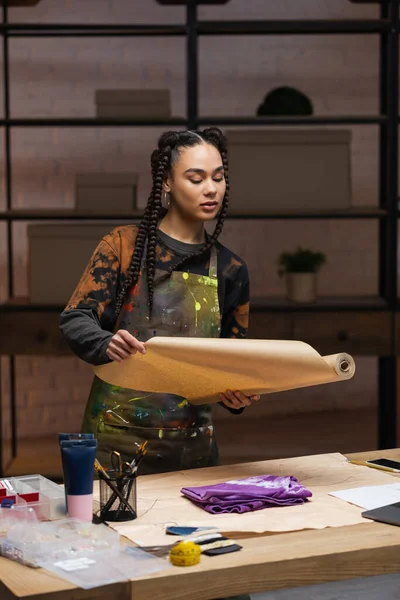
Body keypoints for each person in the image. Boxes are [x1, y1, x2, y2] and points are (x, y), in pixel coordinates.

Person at [59, 127, 260, 475]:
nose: (210, 188)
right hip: (114, 446)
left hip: (193, 450)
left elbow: (232, 359)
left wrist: (239, 394)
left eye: (218, 177)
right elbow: (75, 319)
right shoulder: (122, 246)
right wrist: (106, 342)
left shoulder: (231, 270)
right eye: (195, 179)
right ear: (166, 181)